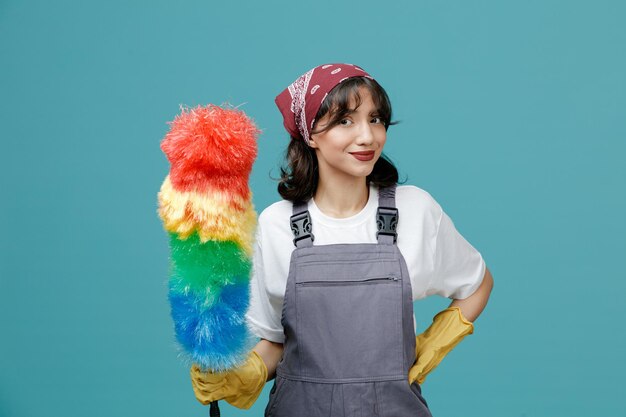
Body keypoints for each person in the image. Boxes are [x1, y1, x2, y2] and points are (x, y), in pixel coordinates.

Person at [190, 63, 494, 416]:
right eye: (345, 121)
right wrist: (248, 373)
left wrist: (440, 337)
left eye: (376, 119)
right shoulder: (276, 225)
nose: (367, 136)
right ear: (310, 134)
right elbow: (275, 339)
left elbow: (478, 283)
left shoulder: (417, 210)